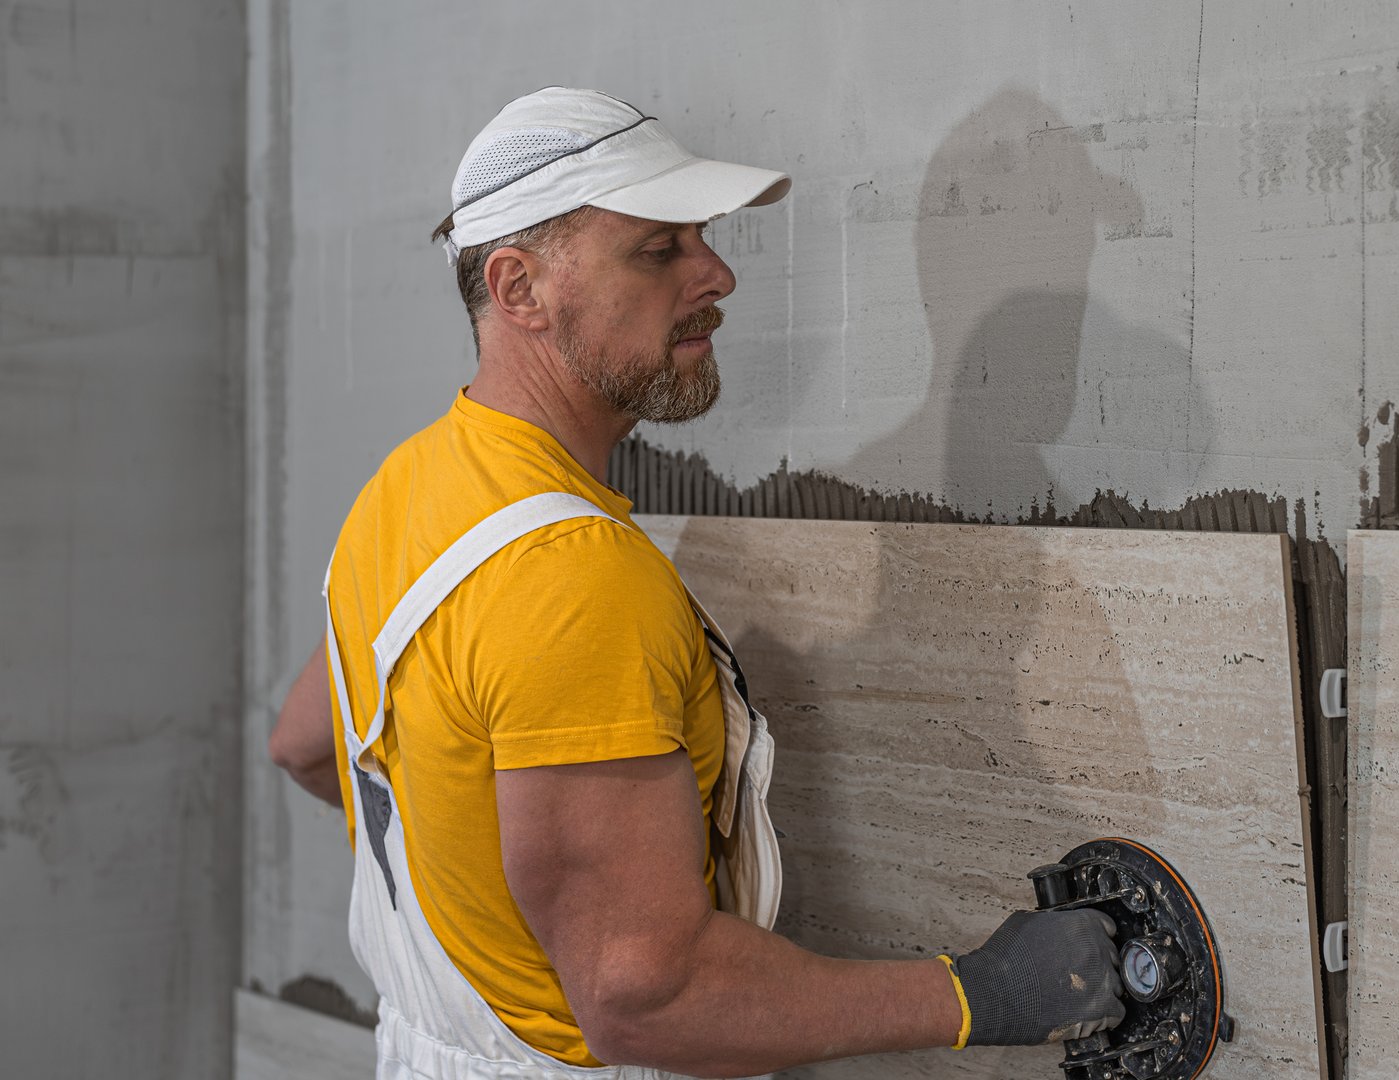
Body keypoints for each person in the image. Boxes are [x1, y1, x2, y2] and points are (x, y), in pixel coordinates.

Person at [266, 86, 1124, 1079]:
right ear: (519, 288)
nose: (716, 274)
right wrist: (980, 994)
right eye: (657, 249)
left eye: (701, 238)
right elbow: (649, 996)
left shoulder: (407, 491)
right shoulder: (572, 579)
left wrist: (477, 877)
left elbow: (304, 747)